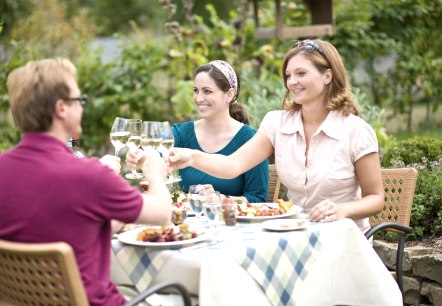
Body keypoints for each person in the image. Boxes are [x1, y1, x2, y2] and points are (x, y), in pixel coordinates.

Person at [0, 58, 172, 306]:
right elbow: (162, 213)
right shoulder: (89, 175)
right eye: (79, 101)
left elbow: (71, 231)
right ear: (61, 108)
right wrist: (155, 174)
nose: (82, 107)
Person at [167, 39, 384, 232]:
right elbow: (232, 165)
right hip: (295, 232)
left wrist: (342, 209)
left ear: (327, 76)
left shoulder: (355, 130)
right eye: (288, 75)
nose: (292, 82)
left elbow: (376, 198)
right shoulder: (277, 123)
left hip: (343, 237)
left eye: (301, 73)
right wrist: (191, 157)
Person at [172, 60, 269, 203]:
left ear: (229, 95)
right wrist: (140, 155)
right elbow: (156, 150)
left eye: (207, 91)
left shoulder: (251, 140)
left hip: (232, 223)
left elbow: (258, 199)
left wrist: (220, 200)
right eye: (196, 90)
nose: (199, 98)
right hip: (187, 223)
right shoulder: (181, 133)